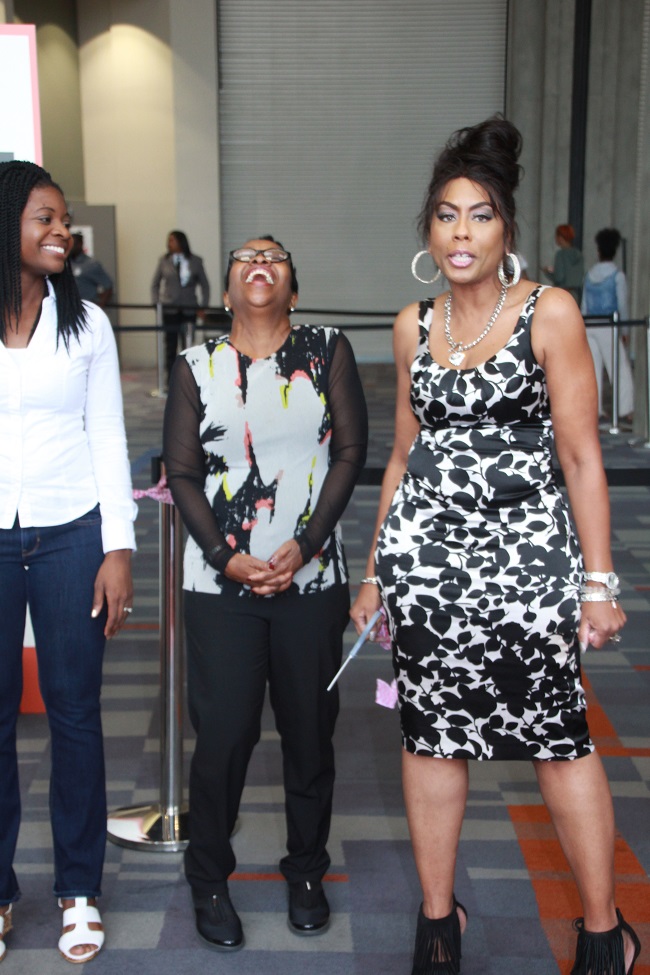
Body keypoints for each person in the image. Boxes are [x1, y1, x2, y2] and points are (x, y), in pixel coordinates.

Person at [351, 119, 641, 975]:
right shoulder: (413, 324)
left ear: (506, 227)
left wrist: (598, 582)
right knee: (431, 737)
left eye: (479, 216)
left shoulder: (548, 312)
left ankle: (601, 931)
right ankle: (441, 921)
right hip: (428, 570)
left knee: (558, 739)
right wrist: (374, 572)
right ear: (427, 231)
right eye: (446, 216)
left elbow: (584, 455)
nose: (461, 234)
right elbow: (404, 454)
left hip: (527, 566)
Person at [163, 236, 367, 951]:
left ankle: (307, 869)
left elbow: (350, 451)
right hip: (220, 584)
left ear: (293, 286)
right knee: (223, 737)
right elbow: (183, 473)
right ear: (226, 293)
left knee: (310, 732)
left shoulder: (327, 348)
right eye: (246, 254)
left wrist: (305, 545)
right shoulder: (196, 364)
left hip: (311, 580)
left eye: (275, 256)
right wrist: (227, 555)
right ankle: (209, 877)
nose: (261, 261)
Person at [0, 161, 137, 963]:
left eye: (63, 220)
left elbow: (110, 436)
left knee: (74, 713)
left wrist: (117, 546)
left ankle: (79, 888)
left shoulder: (88, 323)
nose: (61, 231)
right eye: (43, 218)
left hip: (72, 532)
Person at [581, 228, 634, 422]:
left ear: (598, 251)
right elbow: (622, 305)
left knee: (592, 369)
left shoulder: (589, 274)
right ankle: (624, 409)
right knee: (619, 368)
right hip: (608, 325)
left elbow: (584, 305)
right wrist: (625, 329)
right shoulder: (617, 275)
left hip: (589, 325)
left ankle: (593, 409)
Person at [150, 230, 210, 384]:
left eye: (172, 240)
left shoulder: (195, 261)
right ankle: (170, 380)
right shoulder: (164, 261)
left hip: (189, 308)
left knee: (188, 346)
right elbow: (155, 284)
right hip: (169, 309)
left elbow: (205, 285)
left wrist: (203, 306)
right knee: (170, 345)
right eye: (168, 240)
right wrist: (157, 303)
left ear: (181, 242)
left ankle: (188, 380)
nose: (169, 243)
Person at [69, 231, 114, 308]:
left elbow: (108, 286)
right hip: (68, 308)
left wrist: (100, 306)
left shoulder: (91, 265)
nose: (70, 247)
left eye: (73, 244)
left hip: (86, 309)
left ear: (80, 244)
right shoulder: (65, 263)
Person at [542, 223, 584, 303]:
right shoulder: (579, 254)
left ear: (561, 238)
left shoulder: (560, 255)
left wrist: (547, 273)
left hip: (562, 293)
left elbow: (559, 277)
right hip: (575, 293)